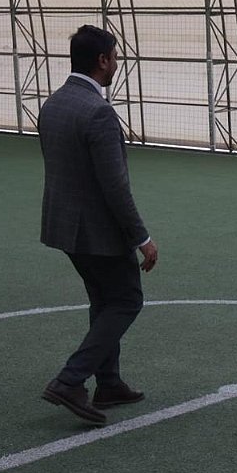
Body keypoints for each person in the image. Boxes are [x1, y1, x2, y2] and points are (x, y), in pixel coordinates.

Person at [37, 25, 159, 426]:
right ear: (103, 60)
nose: (117, 63)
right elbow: (114, 186)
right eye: (115, 56)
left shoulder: (53, 104)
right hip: (98, 231)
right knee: (126, 300)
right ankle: (71, 380)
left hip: (64, 226)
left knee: (103, 300)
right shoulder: (99, 112)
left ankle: (108, 383)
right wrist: (142, 238)